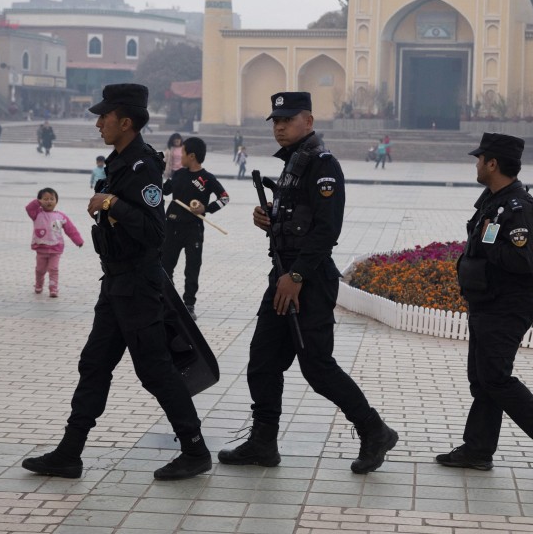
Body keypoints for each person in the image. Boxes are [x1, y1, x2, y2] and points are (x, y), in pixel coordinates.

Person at [22, 83, 212, 481]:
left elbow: (153, 230)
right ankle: (69, 453)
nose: (97, 124)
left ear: (125, 121)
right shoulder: (118, 161)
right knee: (93, 365)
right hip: (116, 283)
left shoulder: (142, 166)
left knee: (156, 370)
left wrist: (111, 203)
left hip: (139, 286)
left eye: (103, 117)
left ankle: (195, 450)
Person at [218, 91, 398, 474]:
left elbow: (326, 230)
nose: (280, 127)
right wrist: (270, 216)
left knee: (317, 367)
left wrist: (297, 276)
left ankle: (374, 430)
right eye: (276, 121)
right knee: (263, 360)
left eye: (288, 120)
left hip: (308, 281)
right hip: (282, 277)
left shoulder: (322, 165)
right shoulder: (293, 165)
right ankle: (263, 442)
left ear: (309, 121)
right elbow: (299, 218)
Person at [437, 132, 533, 476]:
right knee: (482, 380)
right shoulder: (493, 201)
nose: (477, 163)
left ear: (493, 163)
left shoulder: (519, 207)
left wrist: (489, 244)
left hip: (507, 305)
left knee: (495, 378)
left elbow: (524, 260)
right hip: (486, 302)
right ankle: (478, 449)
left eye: (480, 159)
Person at [162, 137, 230, 320]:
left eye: (182, 153)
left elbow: (224, 198)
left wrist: (205, 209)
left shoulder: (207, 179)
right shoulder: (178, 174)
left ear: (191, 156)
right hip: (172, 226)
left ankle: (189, 305)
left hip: (193, 229)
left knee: (192, 268)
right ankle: (168, 300)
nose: (180, 156)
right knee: (166, 265)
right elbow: (163, 191)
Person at [25, 188, 84, 297]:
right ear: (40, 201)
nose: (49, 201)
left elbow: (71, 229)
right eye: (45, 199)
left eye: (52, 199)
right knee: (40, 269)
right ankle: (38, 284)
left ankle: (53, 288)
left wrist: (78, 241)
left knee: (53, 269)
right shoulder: (36, 214)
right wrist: (37, 203)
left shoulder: (61, 216)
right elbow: (28, 208)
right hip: (41, 247)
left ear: (56, 201)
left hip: (56, 248)